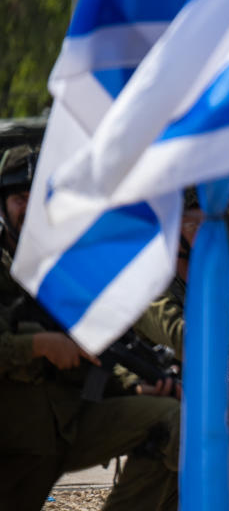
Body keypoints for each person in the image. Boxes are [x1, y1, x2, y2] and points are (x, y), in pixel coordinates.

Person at [0, 146, 180, 511]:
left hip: (67, 424)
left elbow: (99, 350)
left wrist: (135, 385)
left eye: (41, 199)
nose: (31, 209)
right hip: (11, 434)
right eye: (21, 198)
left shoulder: (71, 271)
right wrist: (38, 345)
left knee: (171, 421)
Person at [122, 188, 229, 511]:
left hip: (197, 401)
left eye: (210, 225)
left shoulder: (203, 281)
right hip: (154, 400)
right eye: (193, 225)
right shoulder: (152, 282)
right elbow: (186, 339)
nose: (207, 234)